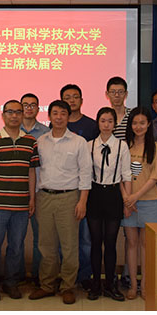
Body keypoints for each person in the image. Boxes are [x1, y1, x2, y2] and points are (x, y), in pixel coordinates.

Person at [29, 100, 92, 306]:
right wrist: (34, 197)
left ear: (68, 116)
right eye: (55, 113)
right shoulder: (41, 141)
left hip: (69, 198)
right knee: (46, 245)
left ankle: (67, 287)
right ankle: (47, 285)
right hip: (44, 197)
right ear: (49, 116)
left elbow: (86, 173)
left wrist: (82, 201)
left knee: (69, 246)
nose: (58, 117)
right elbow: (36, 171)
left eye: (62, 113)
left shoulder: (78, 142)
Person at [0, 99, 39, 301]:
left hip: (21, 205)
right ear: (3, 115)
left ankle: (11, 283)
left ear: (23, 115)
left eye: (18, 112)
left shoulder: (30, 141)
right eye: (10, 112)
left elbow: (31, 172)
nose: (14, 116)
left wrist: (32, 199)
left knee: (16, 246)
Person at [85, 107, 131, 302]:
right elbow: (85, 174)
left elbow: (126, 175)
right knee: (96, 242)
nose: (106, 125)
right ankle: (96, 283)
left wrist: (127, 201)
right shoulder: (89, 145)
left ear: (115, 124)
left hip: (113, 195)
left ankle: (111, 284)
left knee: (110, 242)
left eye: (110, 121)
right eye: (103, 121)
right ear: (98, 123)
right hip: (94, 194)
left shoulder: (122, 146)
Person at [121, 107, 157, 300]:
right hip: (128, 203)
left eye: (142, 123)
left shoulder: (155, 147)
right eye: (134, 123)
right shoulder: (124, 147)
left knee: (147, 246)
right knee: (131, 244)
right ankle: (133, 285)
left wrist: (135, 196)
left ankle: (146, 285)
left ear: (148, 124)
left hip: (150, 202)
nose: (138, 127)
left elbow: (156, 176)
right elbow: (119, 176)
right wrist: (126, 198)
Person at [59, 83, 95, 290]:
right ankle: (65, 276)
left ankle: (84, 276)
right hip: (63, 191)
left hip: (85, 190)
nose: (71, 100)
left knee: (84, 238)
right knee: (64, 239)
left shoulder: (91, 125)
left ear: (81, 100)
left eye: (75, 97)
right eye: (67, 97)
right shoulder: (56, 127)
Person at [19, 93, 50, 284]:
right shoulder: (12, 131)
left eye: (33, 105)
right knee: (17, 237)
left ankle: (38, 276)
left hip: (40, 191)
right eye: (25, 105)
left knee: (41, 237)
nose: (29, 108)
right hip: (17, 191)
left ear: (38, 109)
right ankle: (18, 276)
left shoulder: (46, 133)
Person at [105, 76, 130, 141]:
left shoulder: (133, 115)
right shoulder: (104, 117)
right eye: (113, 92)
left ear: (126, 94)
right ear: (107, 94)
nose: (117, 95)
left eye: (120, 92)